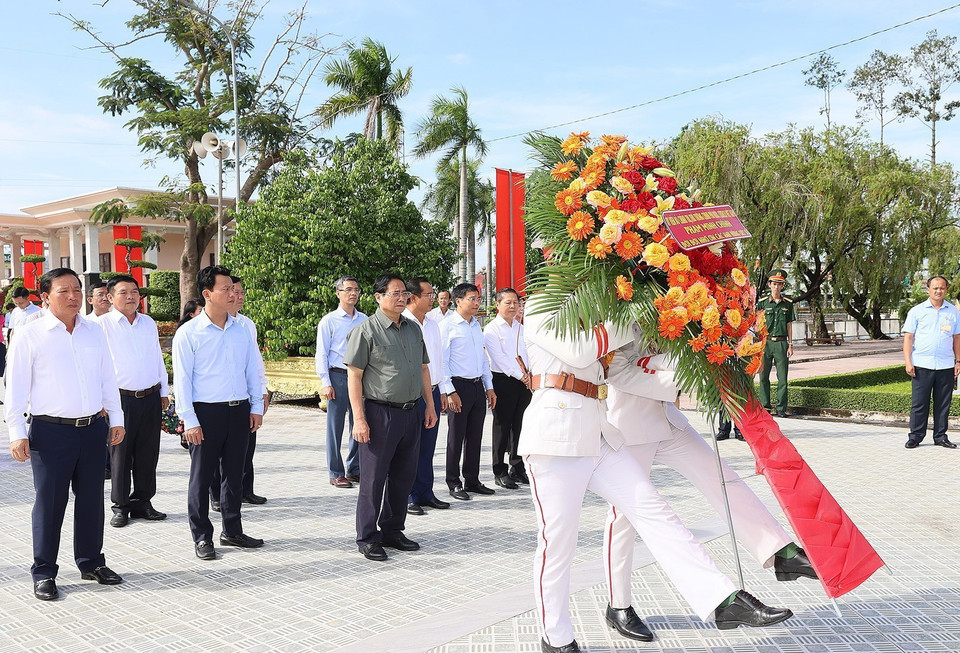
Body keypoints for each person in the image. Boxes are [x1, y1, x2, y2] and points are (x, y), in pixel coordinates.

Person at [520, 296, 792, 653]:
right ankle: (556, 639)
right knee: (558, 545)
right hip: (555, 438)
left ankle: (722, 600)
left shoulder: (605, 305)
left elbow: (625, 362)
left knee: (655, 511)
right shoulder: (543, 303)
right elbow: (582, 351)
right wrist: (627, 312)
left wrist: (705, 356)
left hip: (598, 431)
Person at [601, 335, 815, 641]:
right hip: (631, 426)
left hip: (669, 420)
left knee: (723, 479)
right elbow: (619, 370)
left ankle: (781, 553)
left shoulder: (670, 293)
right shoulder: (620, 305)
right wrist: (686, 376)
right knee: (624, 518)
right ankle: (618, 605)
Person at [5, 268, 126, 601]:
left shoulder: (93, 332)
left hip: (92, 430)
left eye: (76, 290)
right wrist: (16, 432)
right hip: (50, 433)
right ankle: (44, 572)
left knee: (91, 501)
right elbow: (14, 388)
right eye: (64, 291)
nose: (73, 296)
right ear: (44, 297)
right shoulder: (30, 335)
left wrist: (116, 418)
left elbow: (106, 378)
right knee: (50, 504)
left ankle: (91, 562)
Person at [173, 265, 265, 561]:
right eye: (225, 289)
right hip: (205, 414)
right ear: (207, 294)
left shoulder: (243, 328)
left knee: (234, 475)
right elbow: (183, 380)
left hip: (239, 412)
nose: (232, 293)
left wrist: (255, 408)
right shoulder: (189, 333)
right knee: (201, 479)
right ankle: (202, 537)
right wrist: (190, 420)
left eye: (233, 288)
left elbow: (252, 370)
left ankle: (232, 530)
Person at [345, 273, 437, 561]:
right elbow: (354, 376)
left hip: (411, 412)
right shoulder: (366, 331)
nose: (401, 298)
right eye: (394, 293)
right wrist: (359, 419)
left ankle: (393, 530)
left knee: (403, 476)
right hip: (379, 413)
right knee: (373, 479)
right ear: (378, 297)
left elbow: (423, 369)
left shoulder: (413, 329)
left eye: (404, 294)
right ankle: (368, 537)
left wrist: (430, 406)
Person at [99, 274, 170, 528]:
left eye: (135, 291)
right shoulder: (101, 325)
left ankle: (143, 501)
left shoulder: (148, 322)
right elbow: (97, 366)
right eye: (123, 292)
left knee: (148, 453)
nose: (131, 296)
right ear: (109, 297)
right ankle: (120, 506)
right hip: (120, 400)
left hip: (150, 397)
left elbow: (157, 357)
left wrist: (164, 390)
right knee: (120, 455)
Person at [210, 277, 269, 510]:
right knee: (216, 455)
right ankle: (216, 495)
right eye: (233, 290)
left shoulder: (246, 324)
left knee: (246, 446)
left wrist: (261, 391)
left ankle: (246, 489)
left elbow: (255, 363)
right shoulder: (206, 326)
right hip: (217, 402)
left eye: (241, 291)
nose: (238, 295)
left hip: (244, 397)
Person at [439, 283, 496, 500]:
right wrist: (450, 391)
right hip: (458, 386)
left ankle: (472, 479)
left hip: (476, 386)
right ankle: (453, 482)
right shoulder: (447, 326)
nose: (476, 302)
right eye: (472, 298)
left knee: (475, 435)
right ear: (458, 300)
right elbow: (442, 361)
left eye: (478, 298)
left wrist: (488, 387)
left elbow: (482, 360)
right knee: (456, 436)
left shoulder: (475, 326)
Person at [402, 277, 450, 516]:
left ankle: (426, 492)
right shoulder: (403, 323)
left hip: (432, 391)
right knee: (411, 446)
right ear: (413, 297)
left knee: (428, 446)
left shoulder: (432, 324)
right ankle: (409, 496)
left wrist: (442, 390)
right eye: (429, 295)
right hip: (411, 393)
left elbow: (438, 361)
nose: (434, 299)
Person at [316, 276, 366, 488]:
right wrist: (326, 382)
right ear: (338, 293)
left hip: (361, 378)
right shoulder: (328, 320)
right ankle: (336, 472)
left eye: (356, 289)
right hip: (337, 376)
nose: (353, 293)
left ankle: (354, 469)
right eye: (348, 290)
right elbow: (322, 354)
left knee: (360, 422)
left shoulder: (364, 319)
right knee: (335, 428)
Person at [903, 275, 960, 449]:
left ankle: (940, 436)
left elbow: (957, 337)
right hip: (922, 364)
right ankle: (915, 436)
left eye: (942, 288)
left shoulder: (953, 311)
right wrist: (908, 362)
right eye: (935, 288)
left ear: (946, 290)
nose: (938, 291)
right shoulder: (917, 311)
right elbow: (908, 338)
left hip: (946, 365)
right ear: (928, 289)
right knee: (919, 403)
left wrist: (958, 360)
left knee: (943, 403)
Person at [483, 287, 532, 489]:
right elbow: (500, 359)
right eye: (508, 302)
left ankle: (517, 467)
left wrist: (530, 376)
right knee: (502, 426)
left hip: (524, 382)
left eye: (516, 303)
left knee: (520, 425)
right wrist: (522, 376)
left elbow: (528, 354)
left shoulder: (520, 328)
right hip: (504, 380)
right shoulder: (492, 329)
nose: (513, 306)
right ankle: (499, 470)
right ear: (497, 305)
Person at [756, 269, 794, 418]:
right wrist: (757, 345)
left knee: (782, 378)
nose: (776, 287)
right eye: (774, 284)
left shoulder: (788, 304)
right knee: (763, 376)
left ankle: (780, 408)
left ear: (782, 286)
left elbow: (789, 325)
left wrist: (791, 344)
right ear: (770, 285)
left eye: (779, 284)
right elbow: (757, 325)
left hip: (781, 343)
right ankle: (765, 407)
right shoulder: (762, 304)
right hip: (766, 343)